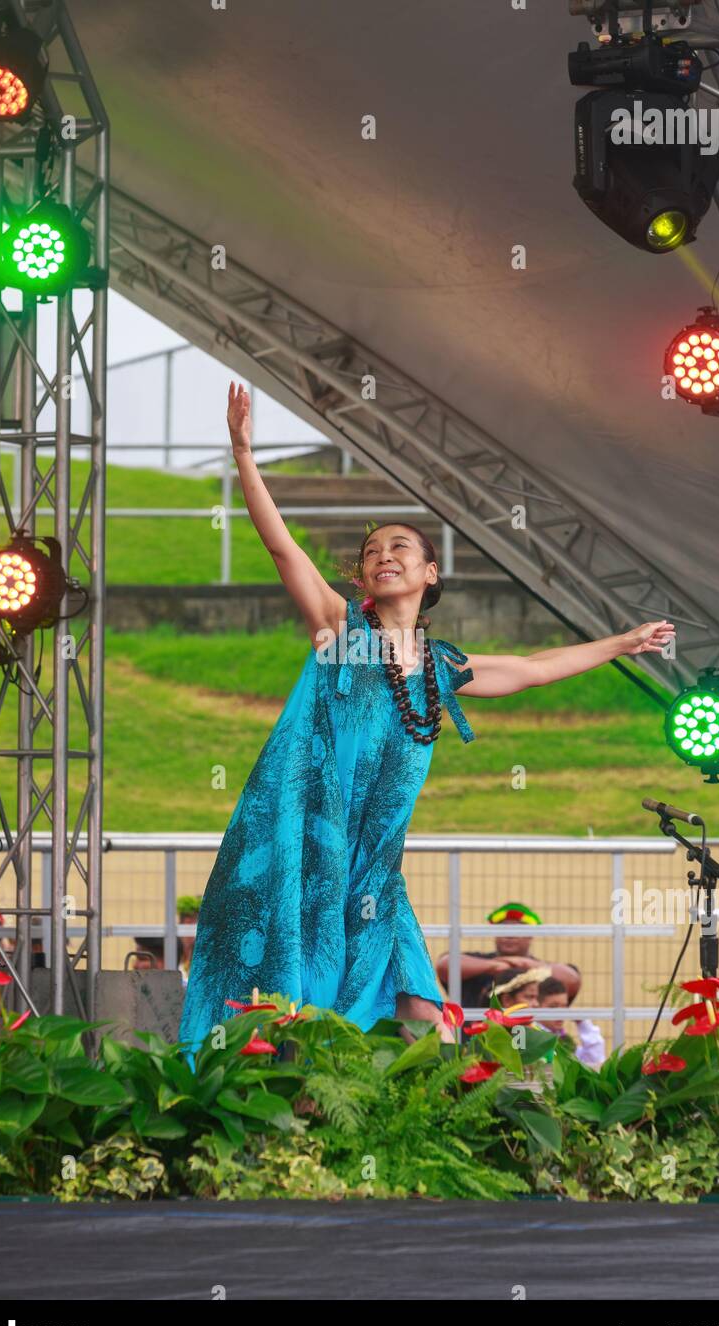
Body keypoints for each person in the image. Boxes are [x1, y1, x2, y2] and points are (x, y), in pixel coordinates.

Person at [179, 381, 675, 1058]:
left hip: (376, 867)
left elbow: (534, 667)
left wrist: (621, 642)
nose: (384, 555)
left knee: (421, 1004)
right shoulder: (340, 632)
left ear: (429, 572)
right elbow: (283, 551)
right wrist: (243, 453)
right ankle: (288, 1104)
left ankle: (408, 1123)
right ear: (362, 579)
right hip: (316, 842)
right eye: (373, 551)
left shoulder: (443, 667)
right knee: (298, 993)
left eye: (400, 548)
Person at [436, 902, 582, 1009]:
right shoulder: (477, 964)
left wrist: (526, 965)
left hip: (531, 1045)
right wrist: (493, 966)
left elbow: (572, 979)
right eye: (503, 928)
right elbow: (444, 964)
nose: (509, 934)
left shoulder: (542, 969)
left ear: (531, 935)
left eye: (517, 929)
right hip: (476, 1045)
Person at [537, 974, 606, 1067]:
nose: (560, 1013)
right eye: (553, 1007)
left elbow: (594, 1060)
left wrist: (583, 1024)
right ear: (537, 1007)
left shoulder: (565, 1040)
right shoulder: (533, 1036)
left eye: (564, 1006)